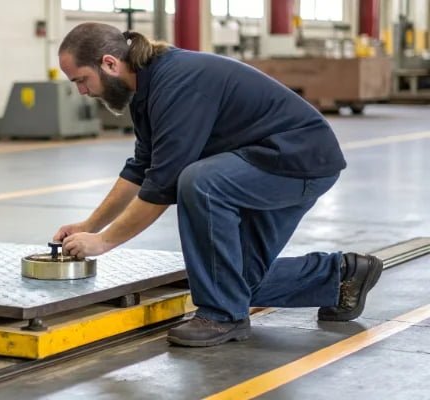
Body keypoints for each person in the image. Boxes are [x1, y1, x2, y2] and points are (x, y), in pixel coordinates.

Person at [53, 22, 384, 347]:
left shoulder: (177, 82)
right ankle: (343, 275)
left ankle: (222, 316)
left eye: (81, 80)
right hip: (265, 164)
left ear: (109, 64)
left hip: (298, 160)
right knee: (228, 280)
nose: (82, 91)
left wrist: (104, 242)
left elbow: (162, 184)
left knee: (200, 182)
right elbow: (141, 169)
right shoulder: (146, 89)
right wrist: (88, 226)